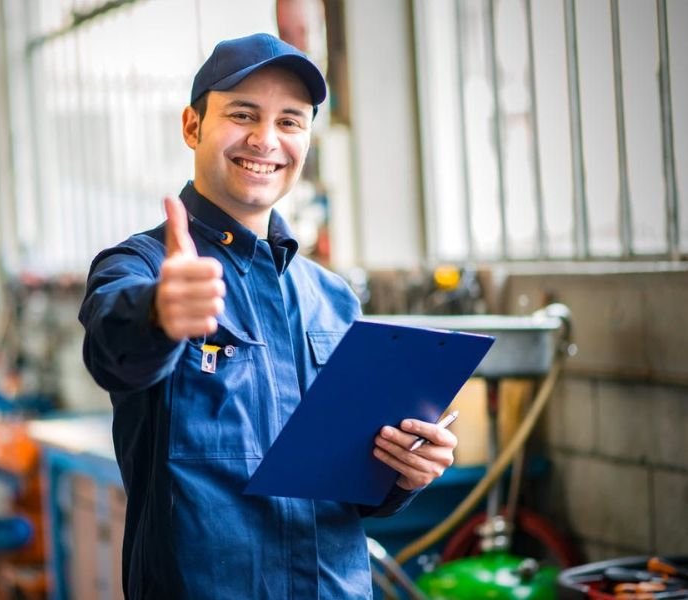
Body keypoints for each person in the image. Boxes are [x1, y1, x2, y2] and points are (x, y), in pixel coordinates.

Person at [79, 32, 457, 599]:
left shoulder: (332, 298)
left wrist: (406, 471)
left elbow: (352, 485)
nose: (265, 140)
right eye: (243, 114)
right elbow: (114, 348)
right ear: (192, 126)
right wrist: (160, 312)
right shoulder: (144, 267)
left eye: (290, 121)